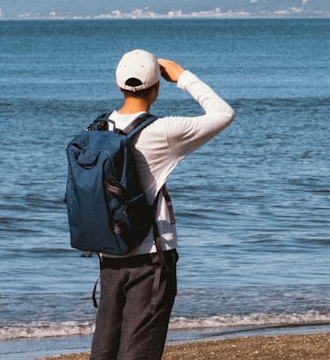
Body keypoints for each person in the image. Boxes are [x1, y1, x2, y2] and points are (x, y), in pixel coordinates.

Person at [90, 49, 235, 360]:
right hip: (152, 258)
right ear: (156, 89)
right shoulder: (163, 131)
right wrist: (182, 77)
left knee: (105, 352)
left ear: (119, 87)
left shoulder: (99, 129)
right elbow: (223, 114)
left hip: (109, 254)